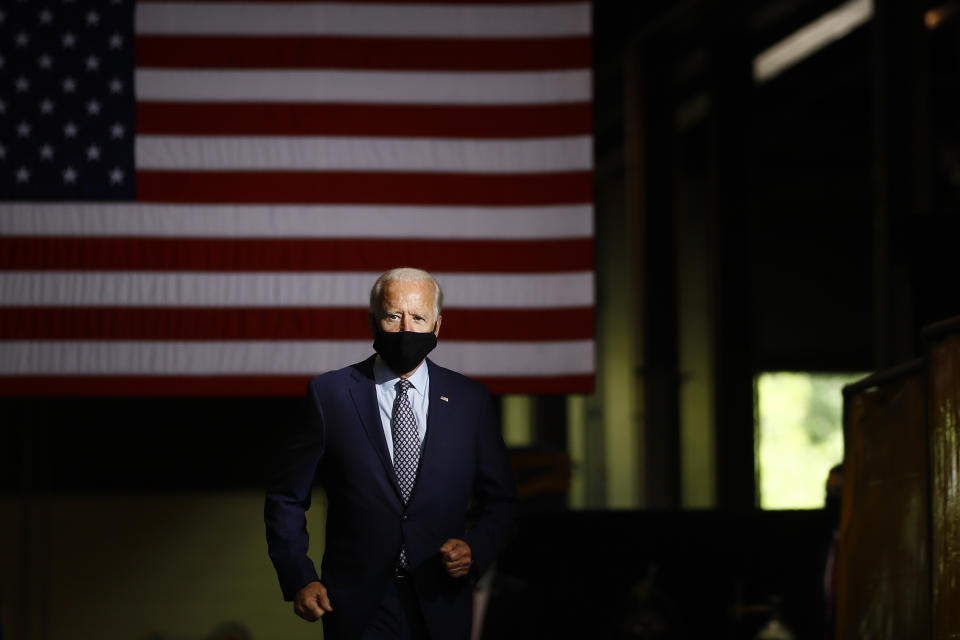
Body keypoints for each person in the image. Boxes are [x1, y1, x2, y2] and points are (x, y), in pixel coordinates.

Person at [265, 267, 517, 640]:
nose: (405, 329)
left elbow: (502, 502)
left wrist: (475, 549)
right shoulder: (329, 395)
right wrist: (299, 577)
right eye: (393, 316)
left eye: (418, 317)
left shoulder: (470, 401)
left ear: (437, 325)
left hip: (441, 600)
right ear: (373, 322)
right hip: (356, 604)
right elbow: (286, 496)